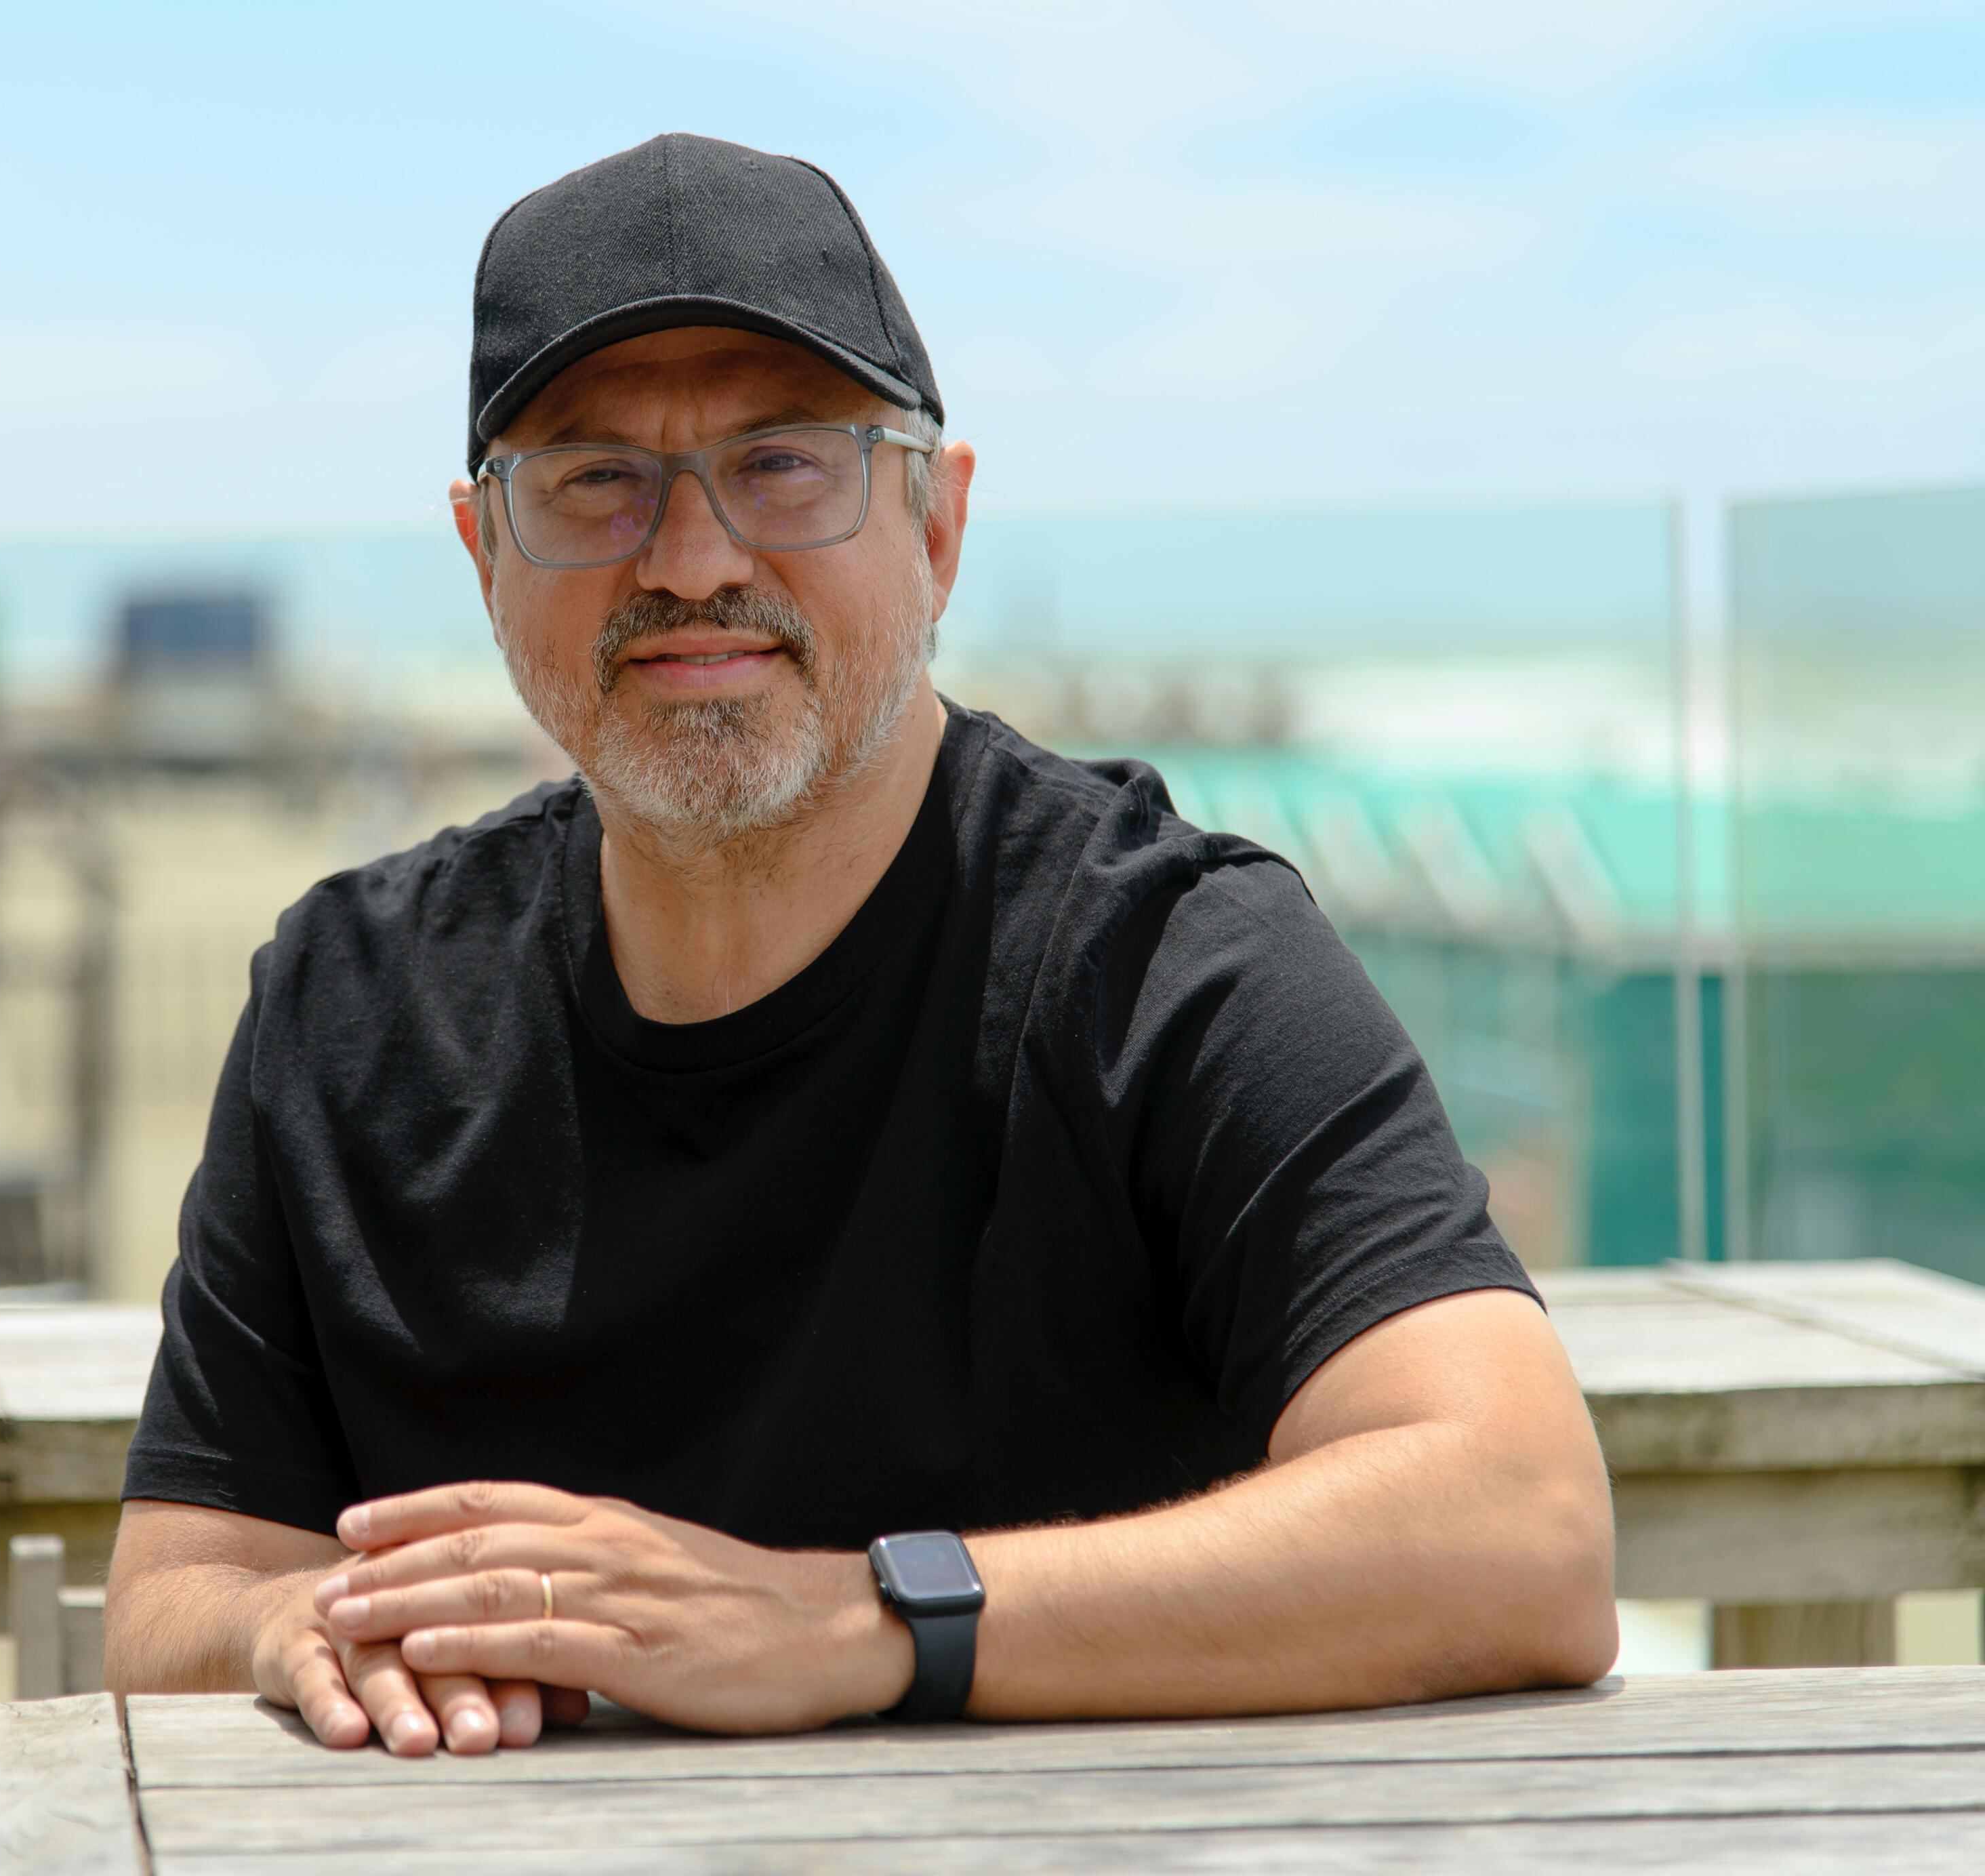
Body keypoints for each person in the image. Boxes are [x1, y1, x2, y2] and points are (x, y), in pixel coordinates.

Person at [102, 134, 1616, 1756]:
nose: (689, 559)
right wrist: (293, 1623)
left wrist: (859, 1621)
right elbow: (178, 1591)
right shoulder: (349, 1003)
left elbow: (1522, 1523)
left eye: (783, 464)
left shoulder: (1167, 961)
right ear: (485, 557)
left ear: (937, 526)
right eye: (594, 480)